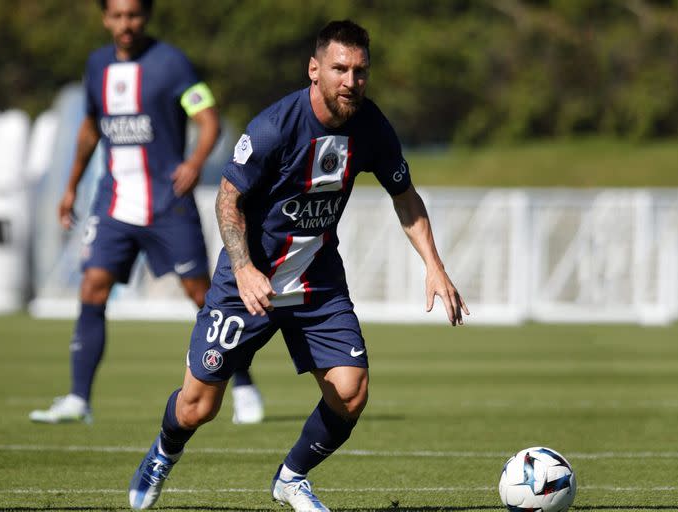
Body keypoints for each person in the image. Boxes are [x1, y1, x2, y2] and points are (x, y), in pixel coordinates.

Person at [127, 19, 469, 512]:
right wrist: (243, 267)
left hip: (317, 282)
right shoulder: (274, 127)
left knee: (350, 391)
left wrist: (434, 265)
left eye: (360, 70)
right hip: (250, 282)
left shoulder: (371, 126)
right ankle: (163, 452)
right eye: (340, 69)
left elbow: (405, 197)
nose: (351, 80)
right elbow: (228, 200)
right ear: (315, 70)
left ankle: (291, 477)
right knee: (198, 406)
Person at [29, 0, 264, 426]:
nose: (125, 24)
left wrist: (194, 162)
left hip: (166, 204)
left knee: (203, 296)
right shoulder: (97, 65)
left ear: (146, 16)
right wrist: (69, 188)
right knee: (92, 288)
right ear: (105, 18)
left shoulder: (172, 63)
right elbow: (89, 128)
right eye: (117, 16)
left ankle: (243, 384)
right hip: (114, 203)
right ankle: (78, 399)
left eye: (133, 15)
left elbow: (208, 118)